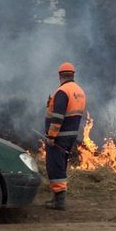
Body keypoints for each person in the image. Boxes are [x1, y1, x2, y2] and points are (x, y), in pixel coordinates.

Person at [43, 61, 87, 210]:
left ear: (60, 75)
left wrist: (51, 136)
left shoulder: (63, 91)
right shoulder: (79, 91)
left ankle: (59, 201)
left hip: (59, 137)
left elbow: (58, 117)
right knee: (61, 166)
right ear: (73, 75)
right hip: (71, 136)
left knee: (55, 167)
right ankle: (57, 198)